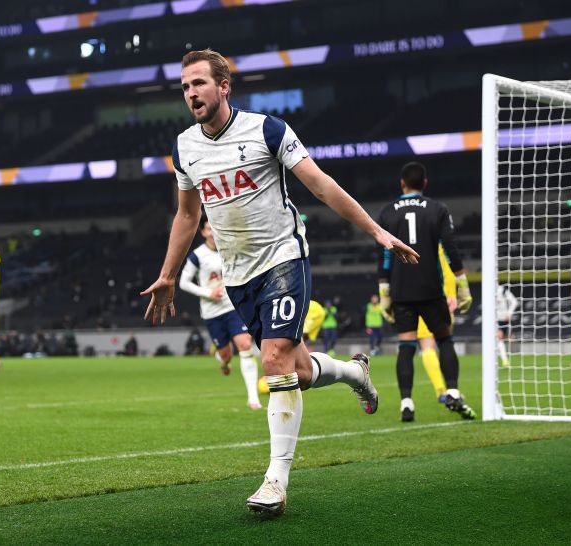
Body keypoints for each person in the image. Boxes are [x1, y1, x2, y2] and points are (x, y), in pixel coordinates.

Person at [141, 48, 418, 516]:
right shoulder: (184, 147)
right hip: (237, 273)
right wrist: (168, 274)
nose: (191, 93)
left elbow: (321, 184)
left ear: (223, 86)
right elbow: (188, 215)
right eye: (185, 86)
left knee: (273, 360)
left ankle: (275, 481)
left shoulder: (267, 130)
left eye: (199, 83)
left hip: (284, 258)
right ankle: (354, 373)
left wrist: (376, 230)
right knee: (299, 370)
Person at [378, 161, 475, 422]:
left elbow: (385, 254)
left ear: (402, 184)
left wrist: (384, 289)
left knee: (407, 345)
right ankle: (453, 390)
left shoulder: (387, 212)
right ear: (425, 184)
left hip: (401, 289)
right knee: (444, 339)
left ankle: (406, 403)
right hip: (431, 288)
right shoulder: (438, 209)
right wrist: (462, 283)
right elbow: (449, 246)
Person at [180, 217, 262, 410]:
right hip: (211, 313)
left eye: (213, 228)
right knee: (225, 354)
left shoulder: (231, 248)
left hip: (233, 307)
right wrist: (208, 292)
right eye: (208, 229)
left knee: (244, 345)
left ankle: (253, 399)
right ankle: (224, 361)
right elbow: (184, 282)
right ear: (203, 232)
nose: (212, 232)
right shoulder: (197, 256)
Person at [414, 242, 457, 403]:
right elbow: (448, 270)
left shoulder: (405, 238)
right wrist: (452, 294)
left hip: (416, 299)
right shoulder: (437, 243)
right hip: (441, 298)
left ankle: (441, 390)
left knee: (427, 346)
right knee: (445, 341)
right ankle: (452, 390)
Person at [496, 284, 519, 367]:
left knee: (505, 338)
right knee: (498, 338)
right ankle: (505, 361)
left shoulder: (503, 290)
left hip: (503, 318)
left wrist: (509, 313)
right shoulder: (487, 291)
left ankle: (505, 359)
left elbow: (514, 301)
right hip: (494, 319)